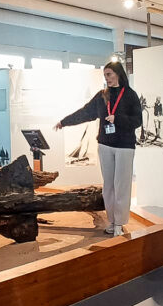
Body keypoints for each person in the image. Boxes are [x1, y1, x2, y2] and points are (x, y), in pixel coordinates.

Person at [56, 61, 142, 236]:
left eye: (109, 74)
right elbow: (85, 113)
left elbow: (137, 121)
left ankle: (120, 222)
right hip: (104, 145)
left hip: (125, 146)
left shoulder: (131, 95)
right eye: (105, 75)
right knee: (108, 186)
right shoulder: (102, 96)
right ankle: (112, 221)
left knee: (122, 185)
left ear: (118, 74)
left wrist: (117, 118)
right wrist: (64, 122)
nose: (107, 78)